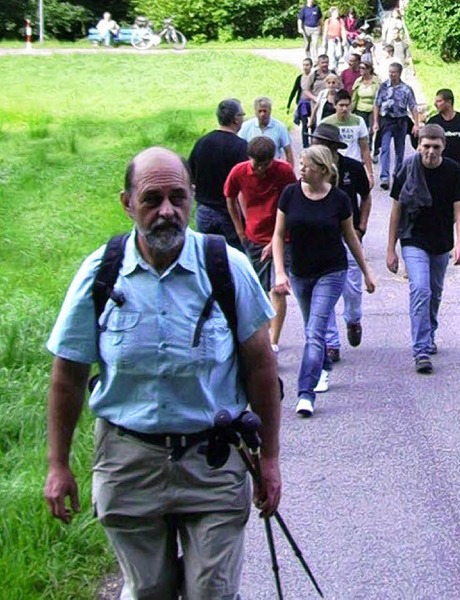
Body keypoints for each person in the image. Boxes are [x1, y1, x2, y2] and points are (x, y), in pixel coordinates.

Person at [44, 147, 282, 598]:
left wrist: (268, 459)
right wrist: (57, 465)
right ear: (127, 203)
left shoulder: (226, 268)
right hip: (127, 463)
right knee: (147, 590)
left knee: (211, 592)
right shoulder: (100, 273)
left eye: (178, 197)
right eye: (152, 199)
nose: (167, 211)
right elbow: (67, 374)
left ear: (192, 197)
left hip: (213, 463)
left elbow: (261, 367)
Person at [272, 146, 375, 417]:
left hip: (332, 271)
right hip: (301, 272)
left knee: (314, 333)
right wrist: (280, 272)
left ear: (322, 169)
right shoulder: (290, 194)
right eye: (301, 164)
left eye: (306, 165)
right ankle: (325, 366)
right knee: (311, 327)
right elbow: (278, 235)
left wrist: (365, 271)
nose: (301, 169)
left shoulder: (339, 199)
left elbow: (351, 237)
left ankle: (305, 394)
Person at [386, 125, 460, 373]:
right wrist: (391, 248)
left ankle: (429, 331)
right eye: (426, 146)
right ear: (419, 145)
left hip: (441, 240)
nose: (430, 152)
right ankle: (420, 350)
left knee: (434, 292)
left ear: (443, 146)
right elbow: (396, 211)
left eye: (436, 147)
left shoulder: (453, 171)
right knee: (420, 289)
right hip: (413, 237)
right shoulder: (408, 169)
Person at [225, 137, 297, 354]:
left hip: (282, 235)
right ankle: (262, 334)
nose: (259, 169)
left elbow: (293, 203)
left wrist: (277, 238)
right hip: (254, 236)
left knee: (278, 287)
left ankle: (273, 341)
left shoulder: (283, 171)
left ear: (272, 160)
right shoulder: (239, 171)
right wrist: (239, 228)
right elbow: (229, 197)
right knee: (258, 288)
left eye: (264, 164)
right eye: (256, 163)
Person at [309, 124, 372, 363]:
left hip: (349, 237)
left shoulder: (353, 168)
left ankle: (353, 319)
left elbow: (366, 197)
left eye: (320, 142)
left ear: (333, 146)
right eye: (315, 141)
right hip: (321, 240)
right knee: (323, 294)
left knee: (352, 291)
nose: (315, 145)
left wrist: (362, 226)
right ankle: (331, 343)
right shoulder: (311, 171)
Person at [188, 98, 247, 251]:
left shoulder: (202, 143)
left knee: (206, 260)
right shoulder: (241, 147)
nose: (243, 119)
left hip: (204, 212)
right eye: (242, 115)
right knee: (235, 261)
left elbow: (189, 175)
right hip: (230, 215)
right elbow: (245, 187)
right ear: (235, 119)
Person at [373, 62, 421, 190]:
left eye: (394, 72)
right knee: (385, 148)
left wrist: (416, 124)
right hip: (386, 121)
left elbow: (413, 106)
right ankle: (384, 177)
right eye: (390, 71)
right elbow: (377, 104)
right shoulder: (383, 87)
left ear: (399, 73)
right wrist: (376, 122)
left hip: (401, 121)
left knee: (400, 150)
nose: (391, 74)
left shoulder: (406, 89)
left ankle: (398, 174)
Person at [320, 89, 374, 187]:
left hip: (354, 164)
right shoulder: (326, 123)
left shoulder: (358, 121)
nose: (344, 108)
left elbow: (365, 148)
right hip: (333, 166)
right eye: (341, 105)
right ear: (334, 105)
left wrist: (370, 173)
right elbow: (319, 148)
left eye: (347, 105)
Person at [427, 88, 460, 173]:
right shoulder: (433, 122)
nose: (435, 104)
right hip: (436, 168)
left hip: (459, 169)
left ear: (449, 102)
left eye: (439, 101)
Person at [239, 97, 295, 170]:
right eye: (260, 111)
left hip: (273, 169)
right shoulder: (246, 126)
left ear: (270, 111)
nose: (262, 114)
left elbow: (288, 152)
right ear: (255, 111)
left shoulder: (280, 127)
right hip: (252, 168)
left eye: (265, 111)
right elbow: (239, 149)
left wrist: (289, 171)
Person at [287, 58, 314, 148]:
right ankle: (305, 144)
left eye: (307, 65)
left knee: (313, 123)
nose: (305, 67)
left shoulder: (314, 77)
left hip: (312, 103)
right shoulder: (300, 78)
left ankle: (314, 142)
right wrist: (289, 105)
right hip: (303, 103)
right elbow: (294, 91)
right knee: (304, 124)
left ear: (311, 66)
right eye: (304, 65)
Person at [352, 60, 379, 147]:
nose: (361, 70)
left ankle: (372, 148)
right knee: (361, 131)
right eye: (360, 68)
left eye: (363, 68)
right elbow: (354, 98)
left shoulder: (377, 81)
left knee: (372, 131)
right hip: (360, 109)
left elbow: (380, 97)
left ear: (369, 69)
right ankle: (362, 148)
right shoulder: (358, 81)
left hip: (373, 109)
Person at [322, 6, 346, 72]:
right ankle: (332, 68)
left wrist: (344, 39)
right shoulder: (328, 21)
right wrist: (324, 40)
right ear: (332, 13)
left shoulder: (340, 20)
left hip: (338, 39)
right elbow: (325, 31)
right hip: (330, 39)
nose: (337, 14)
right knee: (331, 53)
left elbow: (343, 30)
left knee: (338, 54)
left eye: (337, 12)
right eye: (335, 12)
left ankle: (336, 66)